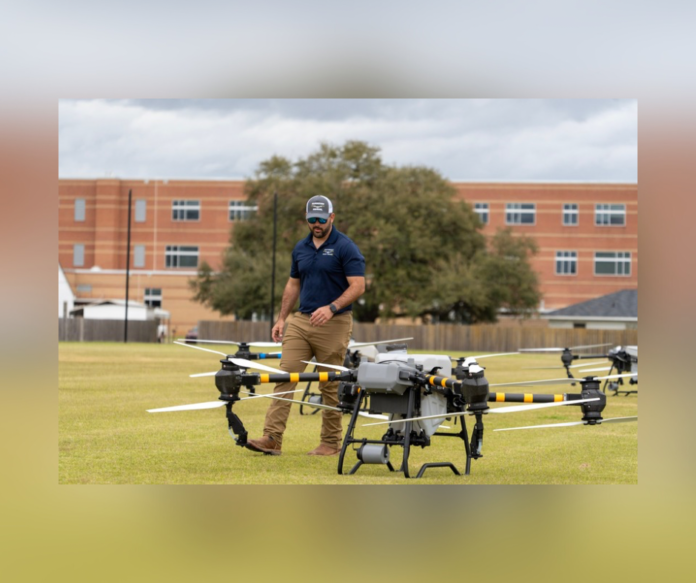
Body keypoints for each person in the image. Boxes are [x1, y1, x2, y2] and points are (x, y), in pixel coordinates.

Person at [246, 195, 365, 456]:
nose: (317, 224)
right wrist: (281, 318)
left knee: (329, 385)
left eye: (322, 219)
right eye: (312, 219)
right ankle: (272, 438)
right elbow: (293, 285)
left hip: (335, 323)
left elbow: (358, 285)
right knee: (285, 376)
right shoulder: (300, 248)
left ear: (332, 217)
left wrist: (332, 307)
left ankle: (331, 443)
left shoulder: (346, 247)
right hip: (301, 321)